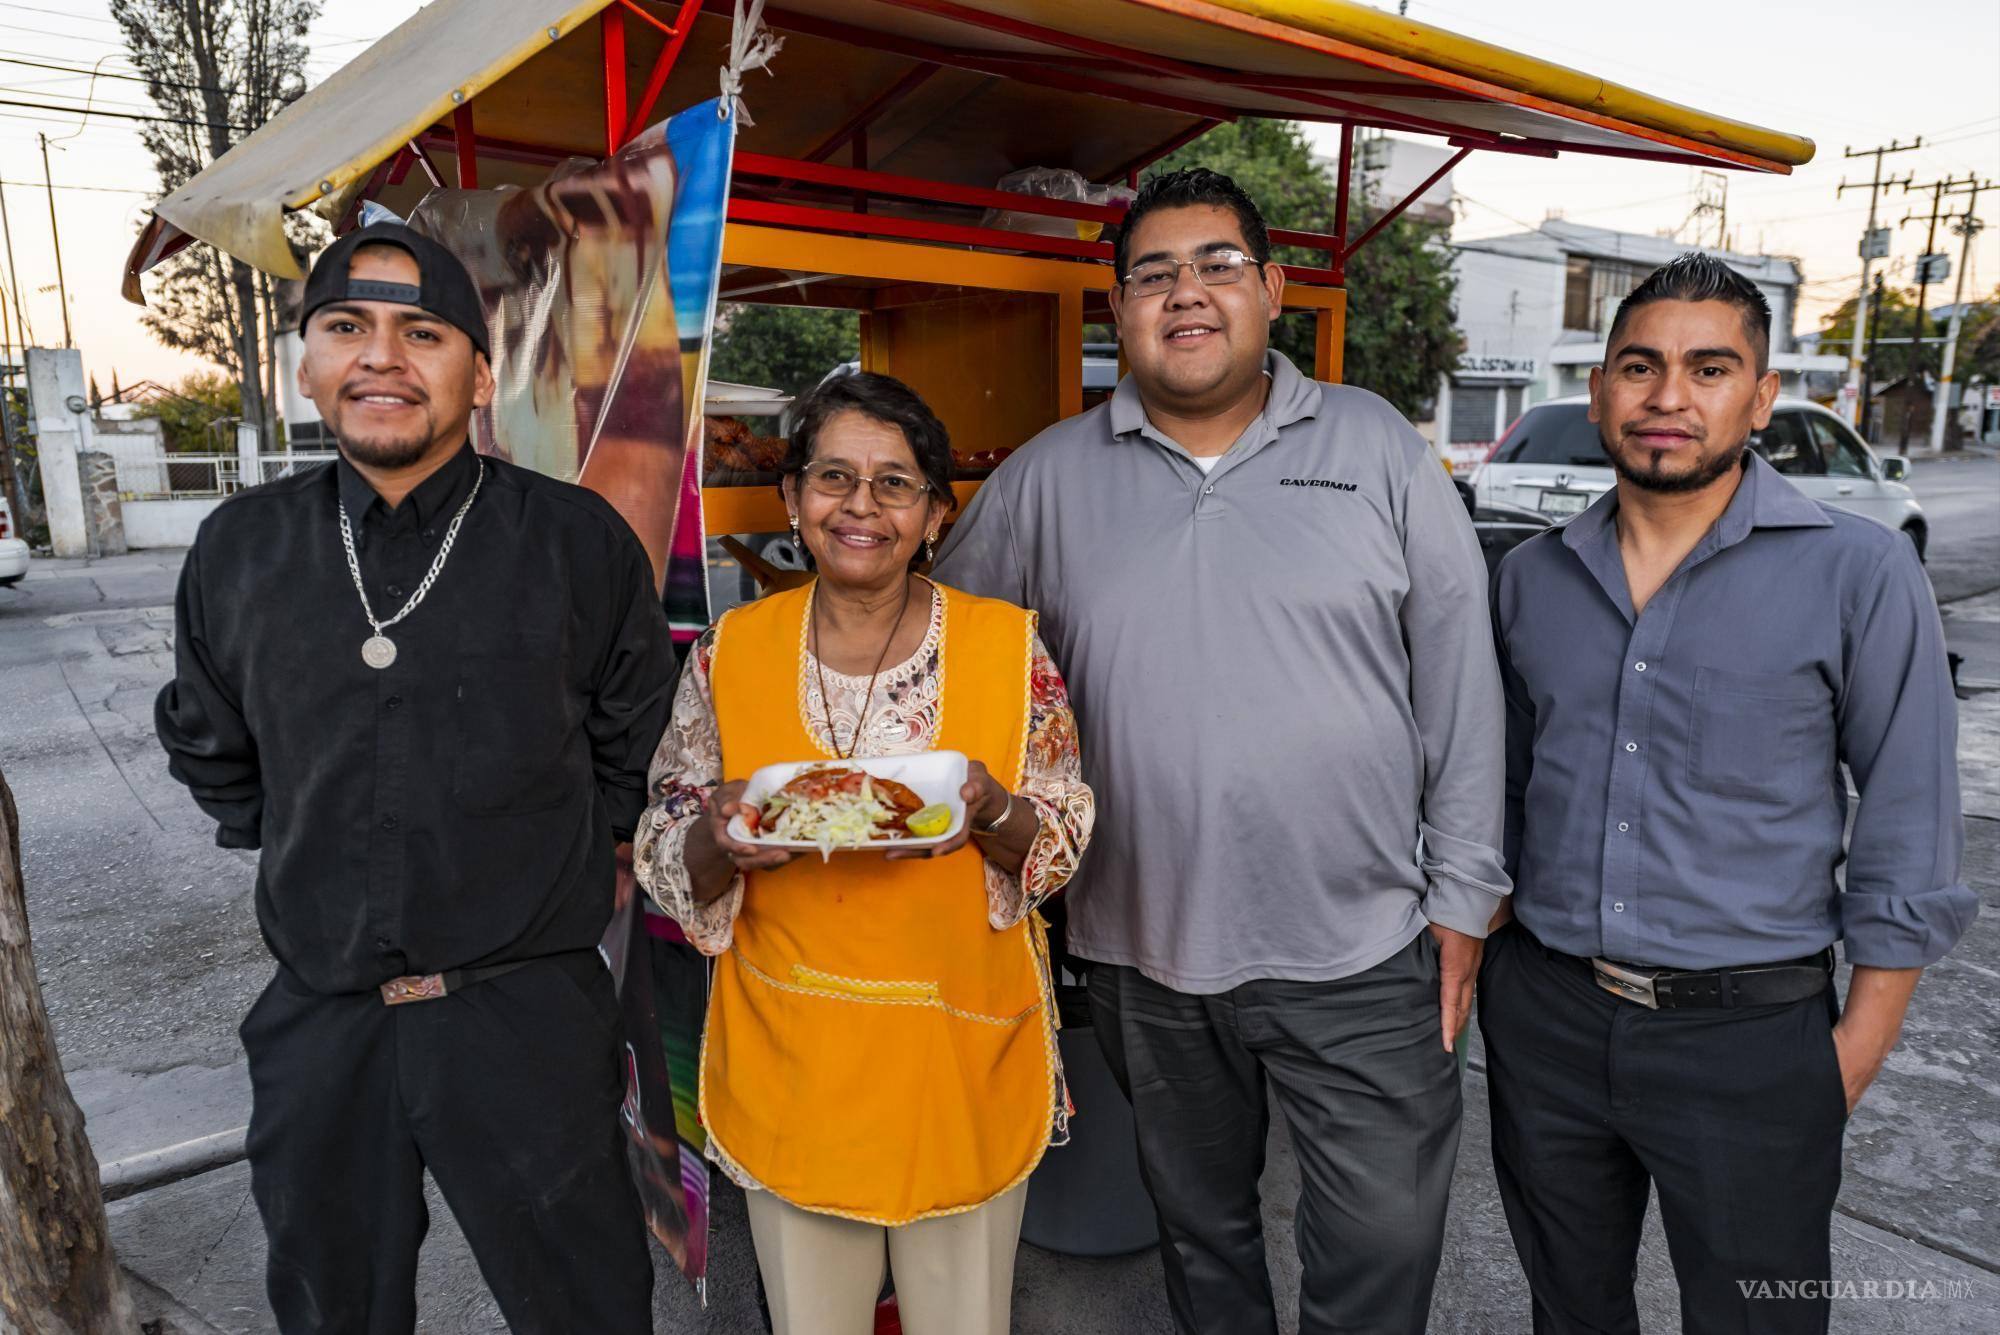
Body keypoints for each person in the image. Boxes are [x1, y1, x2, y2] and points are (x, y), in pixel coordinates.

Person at [933, 168, 1508, 1334]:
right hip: (1140, 951)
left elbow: (1460, 679)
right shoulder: (1048, 476)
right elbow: (932, 651)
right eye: (1151, 273)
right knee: (1199, 1236)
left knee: (1383, 1237)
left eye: (1215, 266)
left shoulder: (1376, 447)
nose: (1183, 294)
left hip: (1361, 945)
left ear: (1272, 290)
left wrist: (1464, 896)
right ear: (1116, 309)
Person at [154, 223, 672, 1333]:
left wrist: (583, 852)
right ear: (308, 363)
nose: (381, 357)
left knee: (587, 1308)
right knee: (333, 1307)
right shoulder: (239, 550)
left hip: (525, 1015)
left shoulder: (576, 544)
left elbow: (641, 747)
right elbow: (211, 746)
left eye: (421, 332)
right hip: (321, 1019)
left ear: (477, 375)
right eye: (347, 327)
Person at [1482, 253, 1975, 1333]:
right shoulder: (1527, 579)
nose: (1668, 398)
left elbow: (1907, 824)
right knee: (1567, 1311)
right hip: (1547, 1019)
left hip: (1749, 1038)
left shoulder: (1855, 571)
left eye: (1708, 369)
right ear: (1600, 388)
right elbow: (1504, 794)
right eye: (1638, 366)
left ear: (1758, 398)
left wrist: (1842, 1060)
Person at [634, 372, 1095, 1335]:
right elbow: (667, 841)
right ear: (794, 499)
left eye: (896, 482)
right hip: (796, 1061)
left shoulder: (1009, 650)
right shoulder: (730, 651)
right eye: (834, 476)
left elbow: (1062, 830)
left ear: (936, 513)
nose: (861, 504)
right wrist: (720, 833)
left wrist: (994, 810)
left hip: (959, 1056)